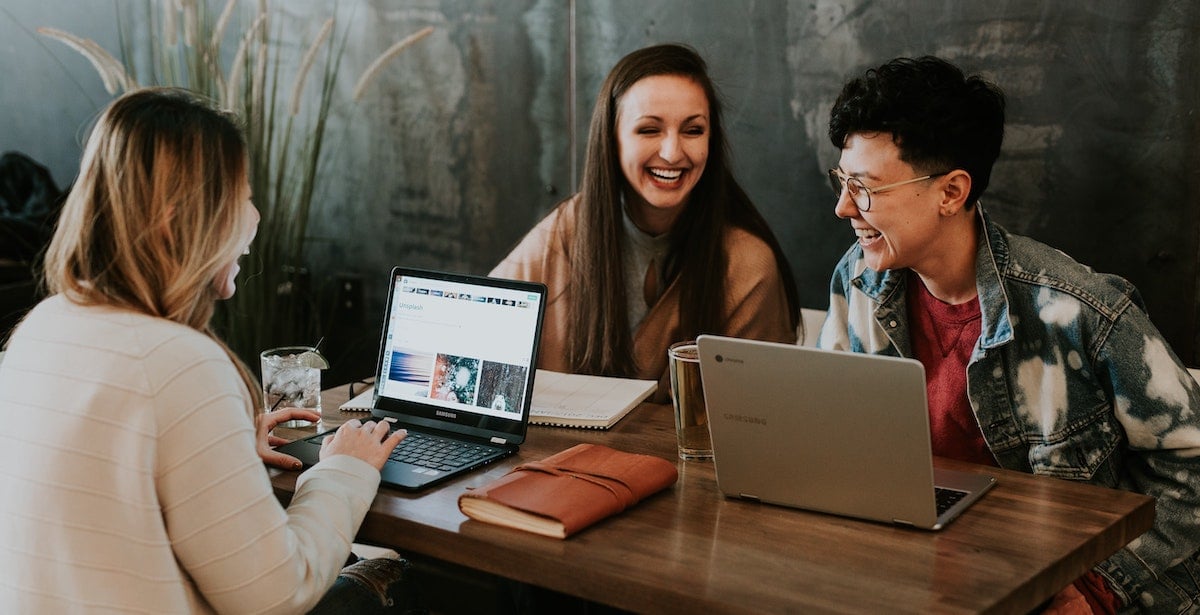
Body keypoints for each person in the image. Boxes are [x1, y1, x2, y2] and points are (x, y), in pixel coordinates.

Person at [0, 88, 417, 614]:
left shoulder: (42, 326)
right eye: (242, 197)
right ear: (180, 220)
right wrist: (343, 470)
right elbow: (278, 594)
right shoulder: (178, 362)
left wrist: (227, 448)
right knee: (396, 576)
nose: (256, 216)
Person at [819, 56, 1200, 613]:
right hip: (915, 576)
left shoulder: (1080, 310)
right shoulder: (856, 281)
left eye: (865, 188)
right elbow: (833, 442)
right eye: (842, 180)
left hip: (1061, 590)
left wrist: (1098, 590)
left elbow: (1191, 471)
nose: (843, 207)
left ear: (951, 192)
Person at [492, 43, 800, 400]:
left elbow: (760, 416)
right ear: (612, 139)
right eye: (649, 130)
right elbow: (476, 333)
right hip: (558, 455)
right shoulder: (566, 230)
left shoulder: (747, 264)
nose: (672, 153)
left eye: (693, 130)